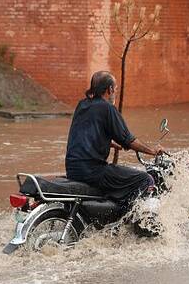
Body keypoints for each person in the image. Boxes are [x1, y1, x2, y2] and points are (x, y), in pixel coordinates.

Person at [65, 71, 164, 206]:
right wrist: (153, 151)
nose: (115, 92)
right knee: (145, 179)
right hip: (93, 171)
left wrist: (109, 143)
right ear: (110, 89)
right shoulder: (107, 108)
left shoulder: (82, 105)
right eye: (115, 88)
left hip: (72, 169)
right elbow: (128, 140)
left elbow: (84, 133)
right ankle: (128, 219)